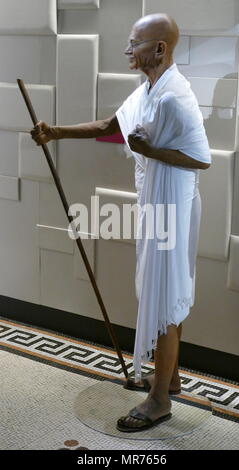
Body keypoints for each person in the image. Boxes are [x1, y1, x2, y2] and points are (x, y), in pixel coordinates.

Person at [31, 13, 211, 433]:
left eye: (135, 43)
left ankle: (160, 399)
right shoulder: (147, 89)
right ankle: (173, 377)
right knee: (168, 294)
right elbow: (111, 126)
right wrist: (54, 132)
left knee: (168, 298)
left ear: (160, 48)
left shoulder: (174, 98)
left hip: (174, 208)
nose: (128, 50)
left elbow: (201, 158)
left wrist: (153, 150)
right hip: (159, 204)